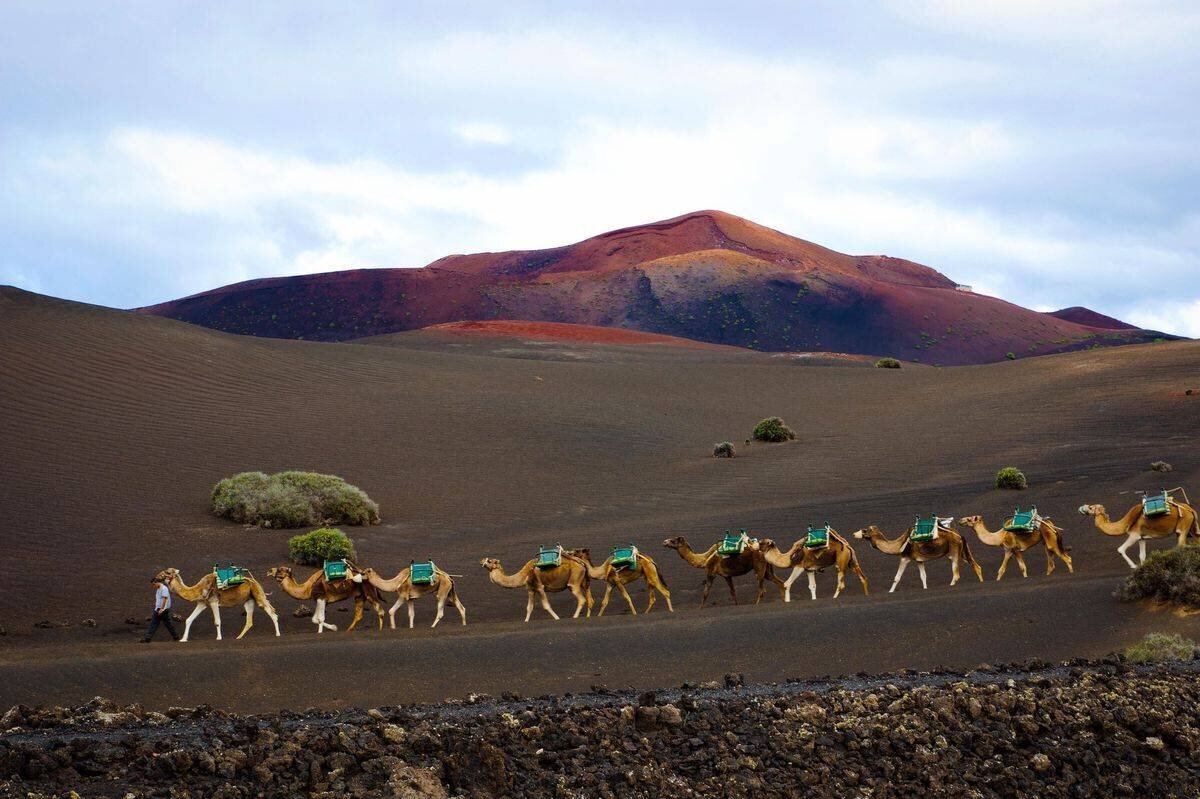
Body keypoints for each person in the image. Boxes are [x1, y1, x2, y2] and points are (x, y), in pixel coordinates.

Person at [142, 576, 179, 643]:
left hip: (162, 610)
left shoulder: (164, 589)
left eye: (153, 584)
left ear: (157, 582)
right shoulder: (159, 588)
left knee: (154, 623)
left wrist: (161, 609)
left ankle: (147, 638)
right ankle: (175, 636)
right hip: (160, 609)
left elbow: (165, 599)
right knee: (167, 624)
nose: (153, 586)